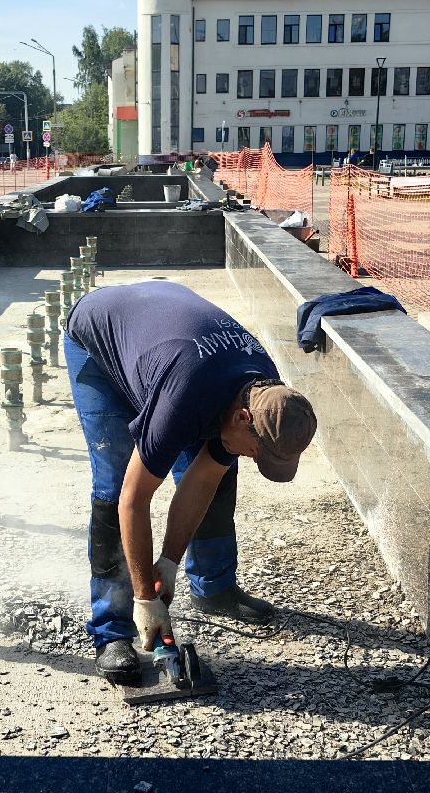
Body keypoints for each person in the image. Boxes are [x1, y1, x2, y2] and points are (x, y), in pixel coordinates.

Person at [64, 281, 318, 683]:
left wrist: (168, 561)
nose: (255, 459)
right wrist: (146, 597)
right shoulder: (183, 397)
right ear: (242, 418)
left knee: (219, 476)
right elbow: (134, 500)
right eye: (258, 452)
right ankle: (112, 628)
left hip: (165, 342)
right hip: (98, 339)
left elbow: (202, 480)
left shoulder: (265, 388)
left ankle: (213, 588)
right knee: (113, 487)